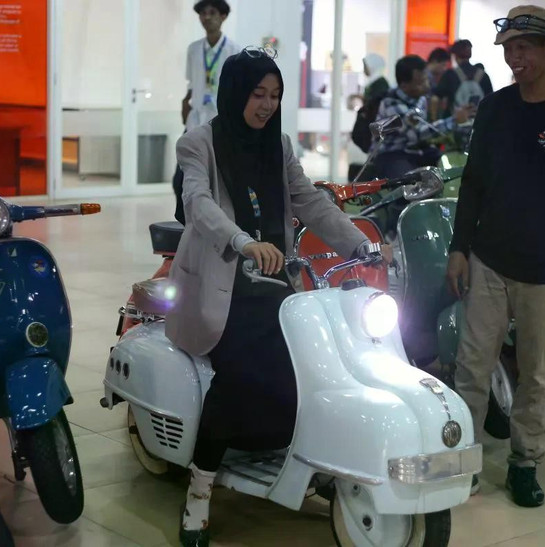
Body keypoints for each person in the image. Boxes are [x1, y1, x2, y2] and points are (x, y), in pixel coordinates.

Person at [166, 49, 389, 547]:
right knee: (241, 374)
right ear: (235, 92)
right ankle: (199, 488)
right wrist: (244, 241)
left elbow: (310, 199)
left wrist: (362, 244)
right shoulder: (198, 143)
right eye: (257, 94)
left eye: (275, 96)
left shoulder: (278, 144)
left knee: (321, 367)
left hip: (275, 286)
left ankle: (300, 458)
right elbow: (197, 203)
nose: (266, 106)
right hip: (220, 286)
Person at [446, 5, 545, 507]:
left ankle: (524, 462)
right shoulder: (495, 108)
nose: (514, 58)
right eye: (509, 49)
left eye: (524, 48)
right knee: (472, 367)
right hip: (490, 259)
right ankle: (464, 465)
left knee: (536, 374)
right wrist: (459, 248)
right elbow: (472, 184)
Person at [173, 0, 239, 225]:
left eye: (212, 13)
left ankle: (218, 226)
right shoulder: (194, 49)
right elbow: (192, 84)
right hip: (195, 121)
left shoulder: (234, 51)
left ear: (223, 17)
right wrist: (186, 104)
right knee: (180, 179)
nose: (207, 17)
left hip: (222, 124)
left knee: (217, 180)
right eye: (203, 13)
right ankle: (186, 224)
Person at [372, 54, 474, 179]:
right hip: (394, 153)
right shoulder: (390, 103)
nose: (427, 84)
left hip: (419, 151)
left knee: (452, 174)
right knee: (408, 186)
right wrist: (454, 120)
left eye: (426, 78)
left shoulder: (421, 99)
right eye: (421, 82)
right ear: (404, 85)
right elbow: (417, 134)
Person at [434, 39, 494, 119]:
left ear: (454, 56)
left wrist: (435, 119)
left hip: (455, 124)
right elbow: (491, 102)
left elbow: (435, 98)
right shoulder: (484, 76)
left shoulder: (450, 74)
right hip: (479, 124)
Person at [350, 53, 391, 154]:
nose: (364, 69)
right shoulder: (372, 82)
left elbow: (376, 102)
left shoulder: (380, 83)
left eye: (365, 66)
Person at [426, 47, 452, 120]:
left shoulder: (433, 78)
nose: (444, 69)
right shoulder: (425, 77)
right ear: (434, 61)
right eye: (443, 65)